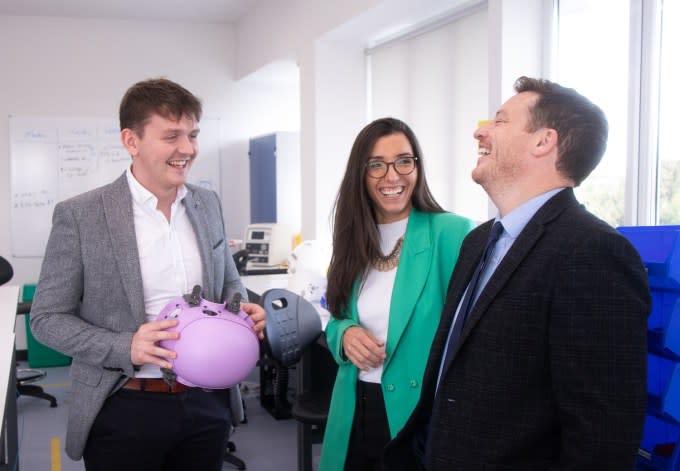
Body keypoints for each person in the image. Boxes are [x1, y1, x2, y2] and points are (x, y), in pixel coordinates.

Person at [382, 76, 651, 470]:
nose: (480, 131)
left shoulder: (593, 251)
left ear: (544, 142)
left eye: (500, 121)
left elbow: (602, 438)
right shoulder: (478, 242)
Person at [29, 78, 266, 471]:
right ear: (131, 140)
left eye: (192, 135)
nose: (187, 149)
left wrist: (242, 311)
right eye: (171, 136)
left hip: (208, 402)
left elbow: (229, 285)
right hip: (123, 402)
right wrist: (126, 347)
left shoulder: (207, 205)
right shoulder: (82, 215)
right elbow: (46, 319)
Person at [320, 117, 475, 471]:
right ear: (361, 173)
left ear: (417, 167)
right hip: (354, 405)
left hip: (417, 414)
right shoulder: (352, 239)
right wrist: (345, 335)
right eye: (377, 165)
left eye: (404, 161)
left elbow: (475, 334)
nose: (392, 176)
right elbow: (336, 319)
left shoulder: (452, 233)